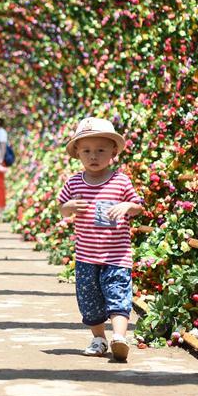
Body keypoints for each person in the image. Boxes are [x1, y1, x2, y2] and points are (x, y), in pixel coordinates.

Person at [57, 117, 144, 362]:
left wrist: (127, 206)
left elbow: (138, 207)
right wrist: (69, 206)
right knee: (90, 301)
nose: (93, 156)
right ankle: (98, 338)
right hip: (86, 256)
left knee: (118, 294)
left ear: (113, 152)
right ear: (77, 153)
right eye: (86, 151)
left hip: (117, 255)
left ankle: (119, 337)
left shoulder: (120, 180)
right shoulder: (74, 182)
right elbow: (62, 207)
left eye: (100, 150)